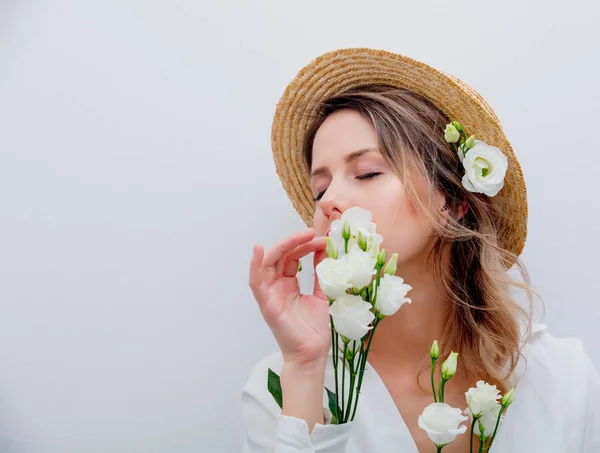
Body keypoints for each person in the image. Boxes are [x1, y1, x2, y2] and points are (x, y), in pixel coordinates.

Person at [242, 48, 600, 452]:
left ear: (453, 200)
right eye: (319, 189)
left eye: (367, 172)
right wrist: (305, 370)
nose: (328, 202)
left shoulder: (561, 379)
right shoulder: (281, 387)